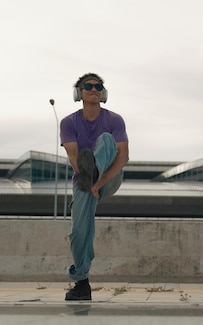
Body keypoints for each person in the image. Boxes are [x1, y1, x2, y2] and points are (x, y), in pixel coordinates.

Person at [60, 73, 129, 301]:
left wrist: (99, 181)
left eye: (98, 86)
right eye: (87, 86)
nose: (93, 89)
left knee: (107, 140)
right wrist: (87, 180)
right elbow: (73, 156)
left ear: (104, 93)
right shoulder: (69, 122)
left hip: (109, 176)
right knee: (79, 232)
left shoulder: (114, 119)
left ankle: (94, 170)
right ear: (78, 93)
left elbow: (123, 157)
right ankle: (82, 282)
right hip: (83, 179)